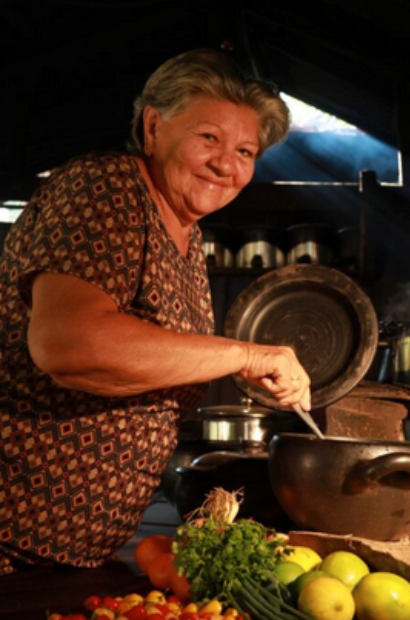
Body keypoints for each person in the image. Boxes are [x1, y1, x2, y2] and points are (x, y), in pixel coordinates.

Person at [0, 48, 311, 574]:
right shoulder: (105, 190)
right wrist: (244, 355)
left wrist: (240, 369)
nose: (226, 164)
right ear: (152, 126)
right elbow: (69, 345)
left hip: (70, 549)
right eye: (208, 138)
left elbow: (147, 359)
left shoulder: (189, 236)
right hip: (13, 535)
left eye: (245, 151)